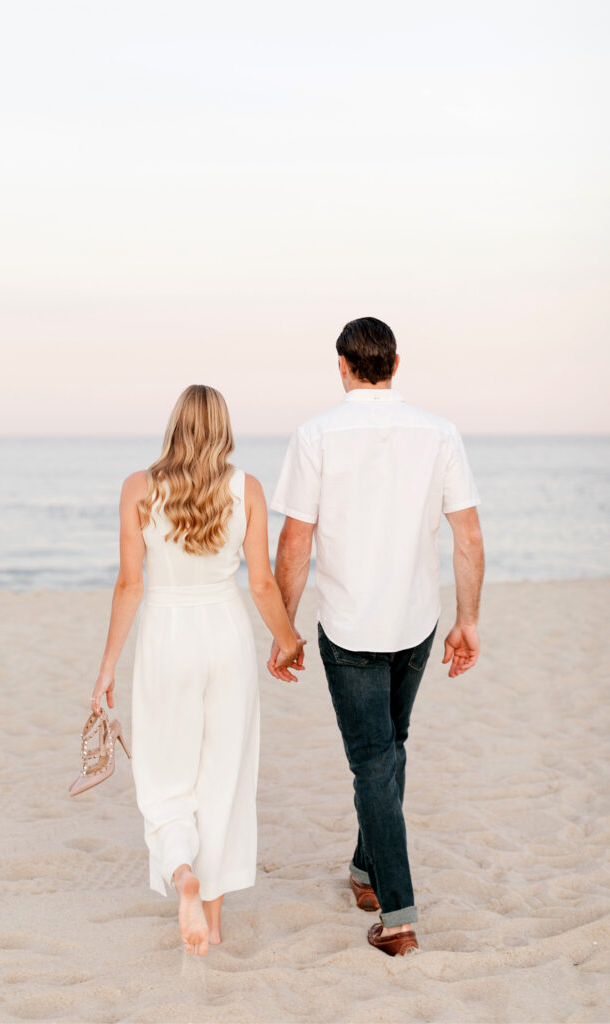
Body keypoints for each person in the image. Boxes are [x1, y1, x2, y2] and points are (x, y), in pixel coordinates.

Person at [268, 317, 484, 956]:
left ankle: (398, 916)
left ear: (342, 364)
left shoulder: (316, 435)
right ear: (396, 363)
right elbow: (467, 535)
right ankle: (365, 873)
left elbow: (296, 541)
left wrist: (283, 630)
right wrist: (468, 619)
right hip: (417, 620)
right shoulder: (439, 432)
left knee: (372, 760)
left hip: (352, 624)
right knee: (389, 749)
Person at [90, 384, 304, 956]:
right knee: (225, 776)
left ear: (175, 425)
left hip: (166, 636)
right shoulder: (247, 489)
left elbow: (129, 584)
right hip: (226, 636)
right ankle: (210, 920)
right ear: (223, 428)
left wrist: (107, 666)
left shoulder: (138, 487)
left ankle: (182, 869)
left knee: (165, 774)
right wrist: (288, 640)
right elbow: (260, 582)